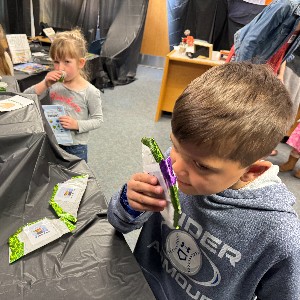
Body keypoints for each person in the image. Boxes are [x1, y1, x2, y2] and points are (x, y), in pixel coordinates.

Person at [108, 62, 300, 300]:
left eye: (201, 165)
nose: (175, 168)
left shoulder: (279, 235)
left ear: (251, 171)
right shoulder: (172, 162)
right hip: (139, 289)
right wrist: (129, 202)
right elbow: (119, 222)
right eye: (175, 146)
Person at [24, 28, 103, 162]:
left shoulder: (90, 91)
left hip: (76, 147)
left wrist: (76, 124)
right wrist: (45, 83)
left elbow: (98, 120)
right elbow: (26, 97)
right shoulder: (53, 84)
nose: (60, 68)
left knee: (75, 180)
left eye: (67, 62)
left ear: (80, 63)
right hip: (53, 141)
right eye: (56, 62)